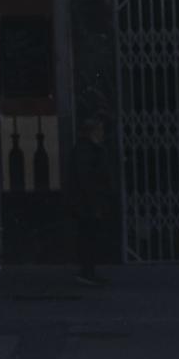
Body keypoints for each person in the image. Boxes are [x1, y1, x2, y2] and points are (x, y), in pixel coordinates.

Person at [67, 115, 118, 287]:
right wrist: (94, 201)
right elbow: (86, 179)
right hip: (87, 202)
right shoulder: (86, 150)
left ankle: (88, 271)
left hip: (89, 201)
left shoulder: (91, 148)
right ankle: (87, 272)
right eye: (100, 129)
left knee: (89, 236)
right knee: (88, 236)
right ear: (93, 131)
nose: (103, 132)